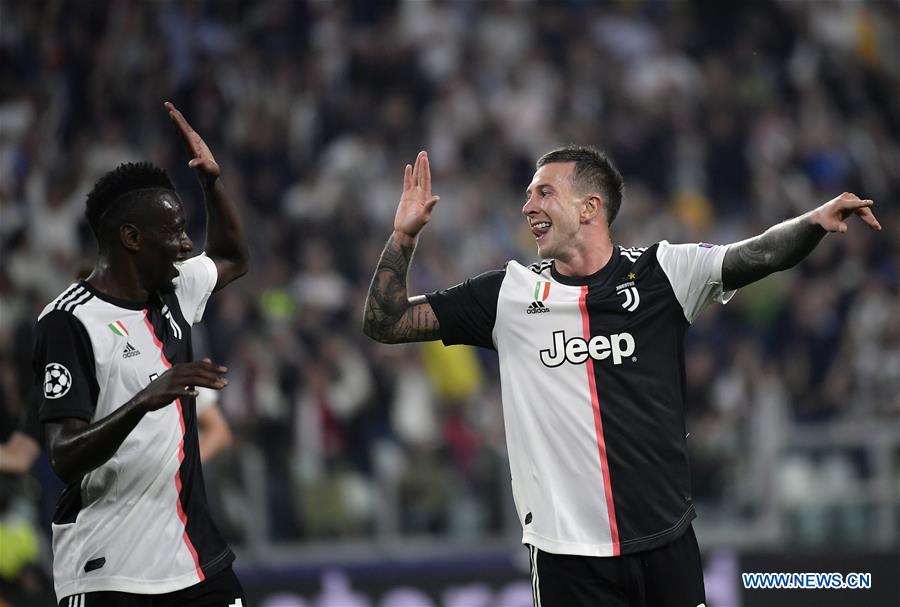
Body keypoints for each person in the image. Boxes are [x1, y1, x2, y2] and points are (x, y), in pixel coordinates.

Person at [363, 148, 881, 606]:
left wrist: (815, 220)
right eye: (527, 195)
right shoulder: (508, 296)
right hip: (567, 557)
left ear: (590, 207)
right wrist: (404, 237)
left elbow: (757, 253)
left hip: (665, 541)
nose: (527, 207)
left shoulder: (664, 272)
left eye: (544, 192)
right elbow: (385, 323)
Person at [32, 102, 250, 607]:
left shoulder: (174, 290)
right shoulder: (68, 321)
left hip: (194, 559)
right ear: (131, 238)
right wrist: (144, 399)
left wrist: (212, 184)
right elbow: (63, 456)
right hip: (109, 570)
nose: (186, 244)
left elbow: (233, 257)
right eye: (174, 231)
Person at [0, 387, 233, 475]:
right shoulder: (54, 378)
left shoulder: (157, 345)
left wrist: (168, 471)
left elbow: (218, 430)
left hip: (159, 515)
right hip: (91, 520)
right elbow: (19, 457)